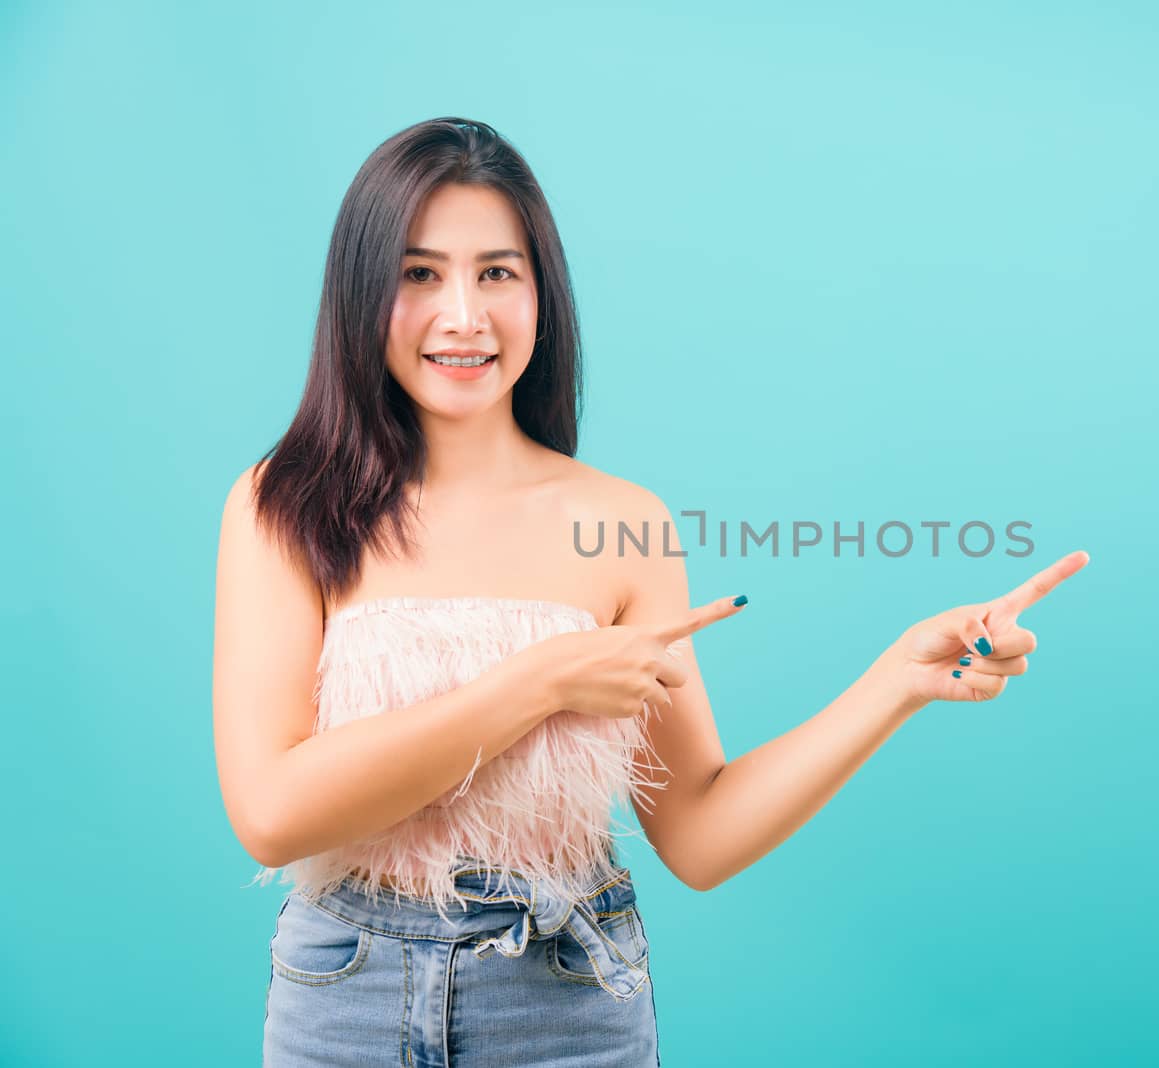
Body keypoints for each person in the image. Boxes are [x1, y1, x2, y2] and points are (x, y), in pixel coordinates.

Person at [212, 116, 1090, 1067]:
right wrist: (539, 683)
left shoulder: (626, 523)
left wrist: (897, 681)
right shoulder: (285, 503)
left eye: (497, 273)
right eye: (419, 273)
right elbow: (271, 813)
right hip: (344, 998)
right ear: (360, 292)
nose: (462, 315)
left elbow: (702, 834)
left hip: (566, 1003)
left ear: (542, 295)